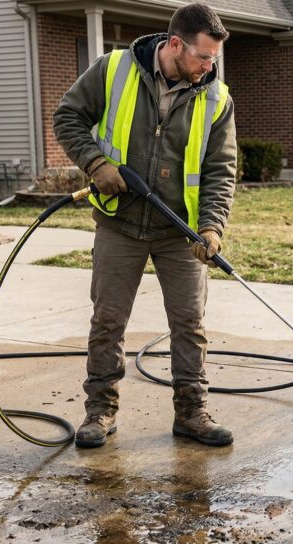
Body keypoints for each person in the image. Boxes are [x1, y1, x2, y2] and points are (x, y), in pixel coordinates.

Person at [53, 3, 237, 449]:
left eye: (214, 58)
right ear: (175, 44)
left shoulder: (216, 97)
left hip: (181, 234)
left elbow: (220, 169)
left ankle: (192, 412)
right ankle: (100, 411)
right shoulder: (113, 70)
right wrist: (96, 163)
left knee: (190, 324)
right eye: (203, 56)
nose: (209, 66)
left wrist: (211, 228)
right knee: (108, 321)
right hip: (119, 223)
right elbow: (67, 117)